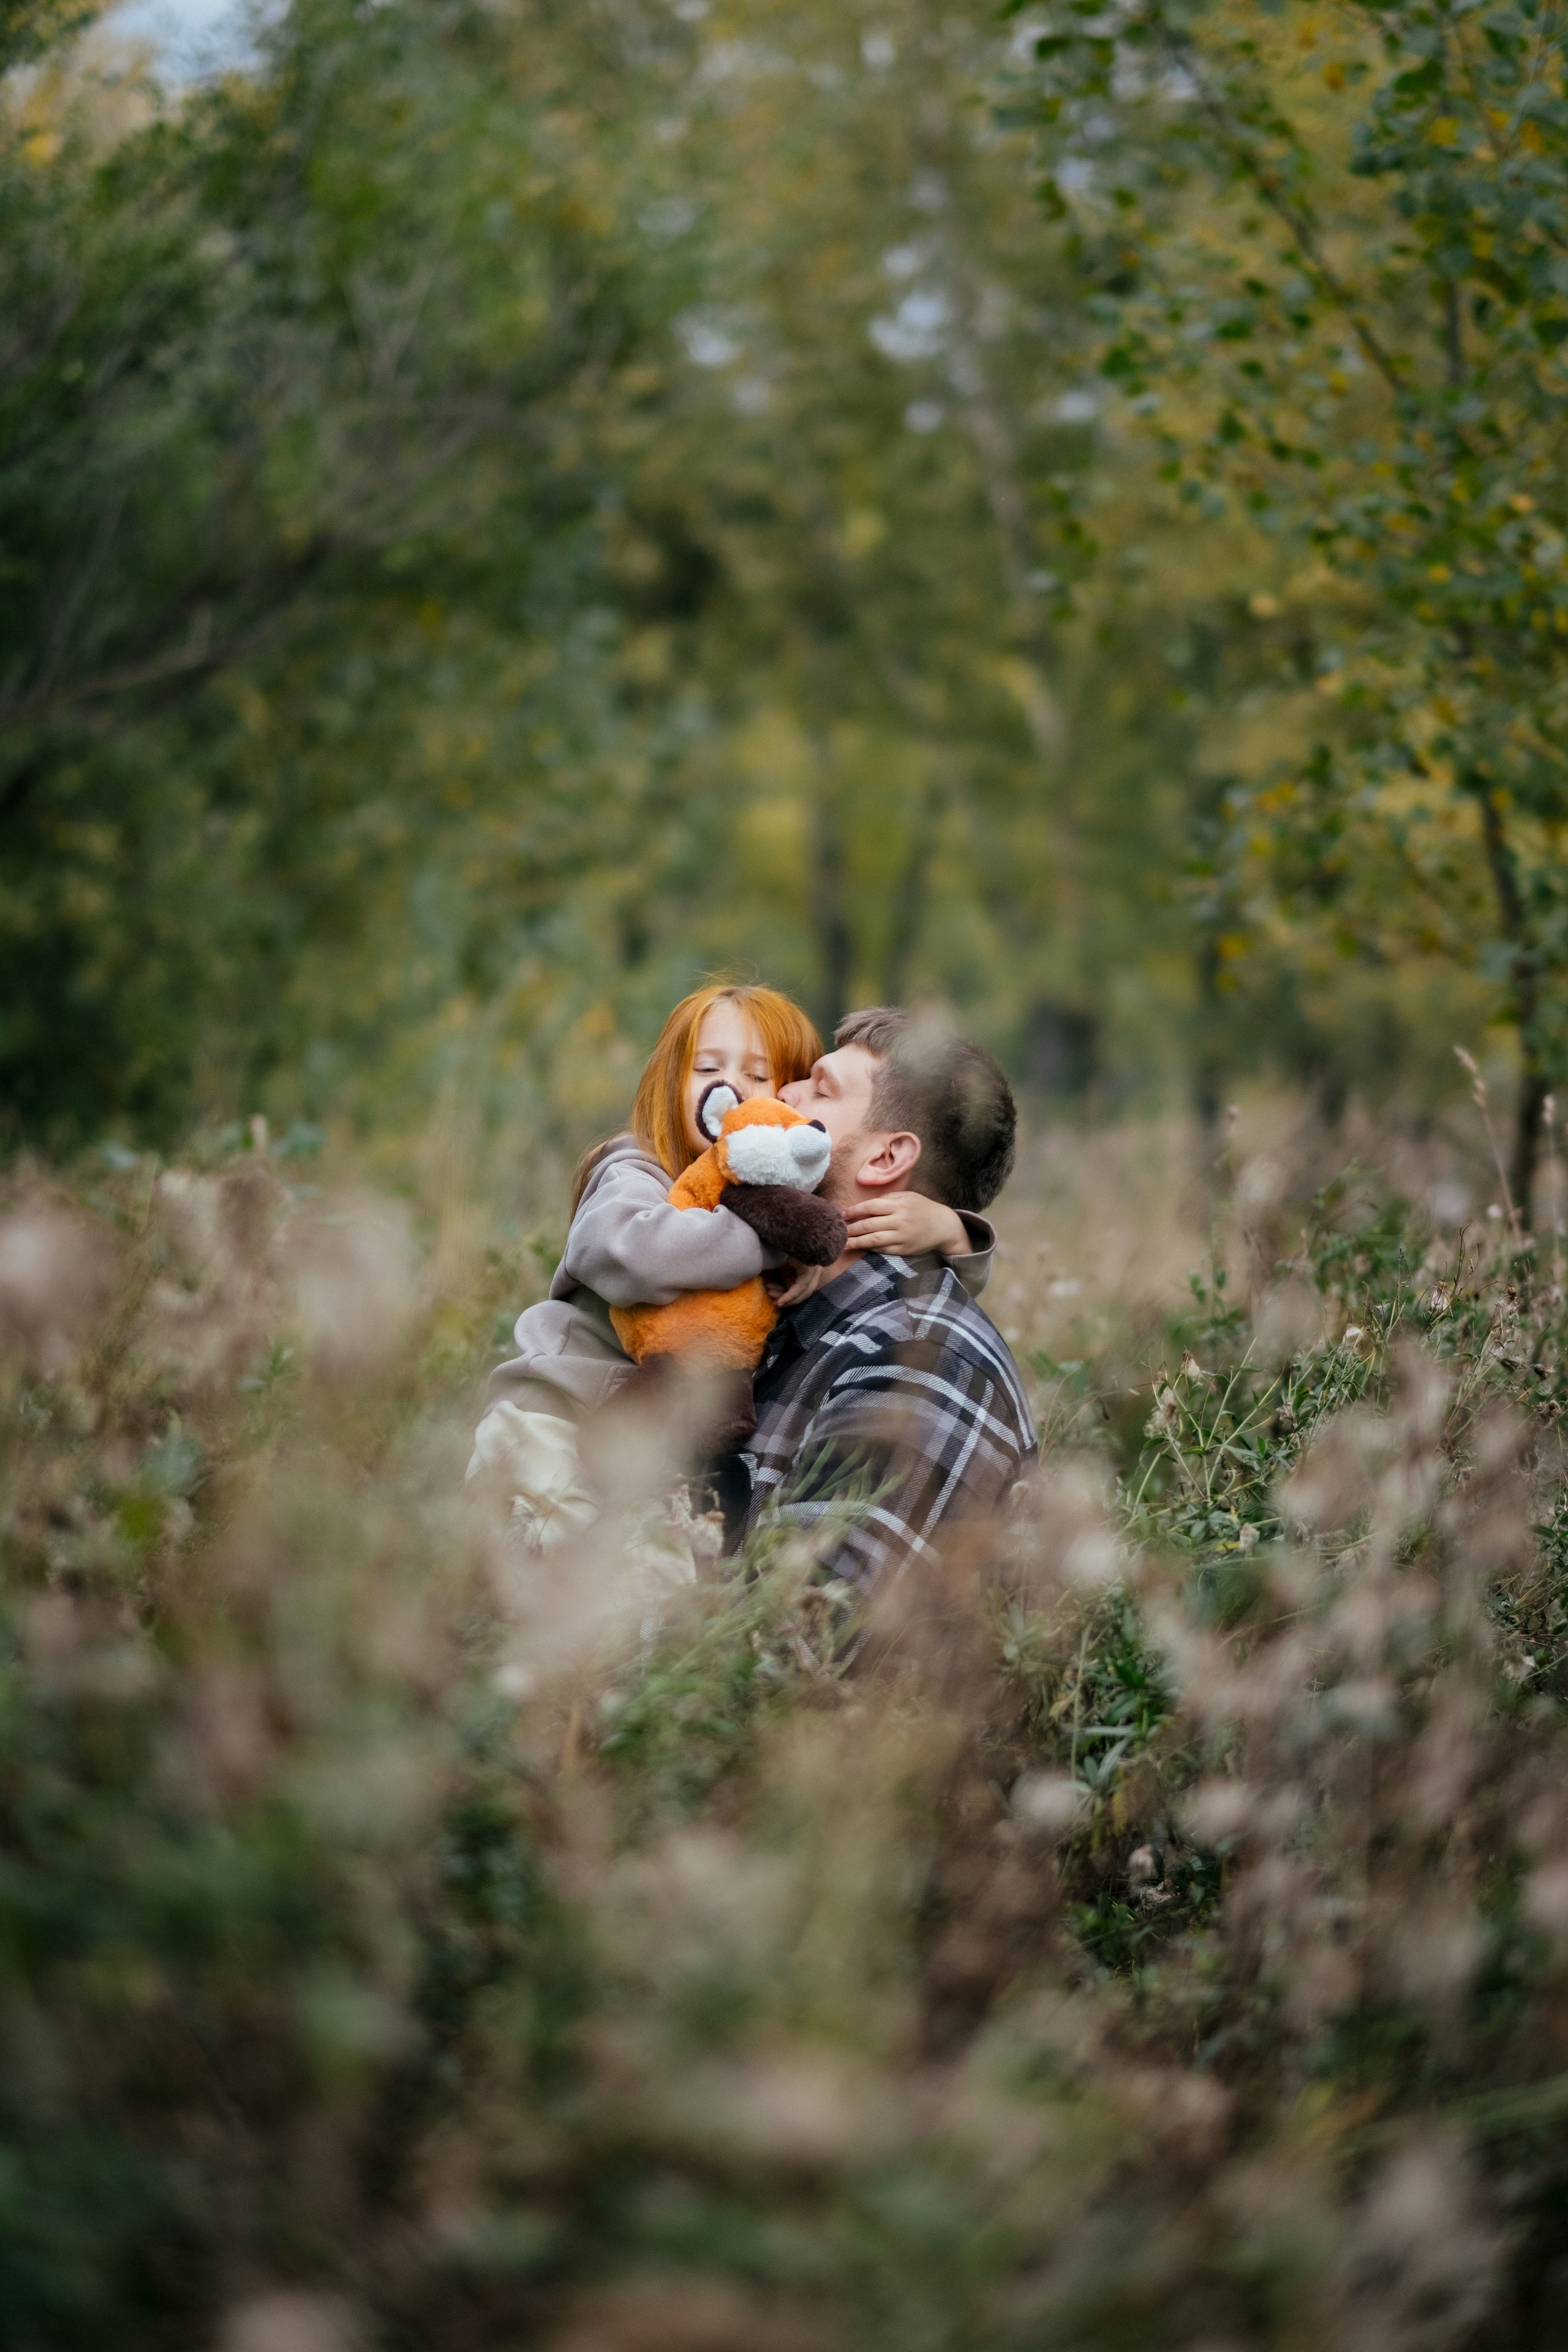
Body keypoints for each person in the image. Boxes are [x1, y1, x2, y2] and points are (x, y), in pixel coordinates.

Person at [470, 983, 1001, 1551]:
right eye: (707, 1068)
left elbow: (937, 1310)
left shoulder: (918, 1347)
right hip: (555, 1415)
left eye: (780, 1081)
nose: (765, 1093)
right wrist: (778, 1234)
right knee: (536, 1562)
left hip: (630, 1446)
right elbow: (632, 1254)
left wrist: (952, 1228)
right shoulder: (642, 1170)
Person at [731, 1006, 1037, 1589]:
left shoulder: (917, 1355)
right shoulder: (767, 1306)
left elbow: (810, 1642)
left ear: (886, 1158)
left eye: (820, 1089)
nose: (779, 1093)